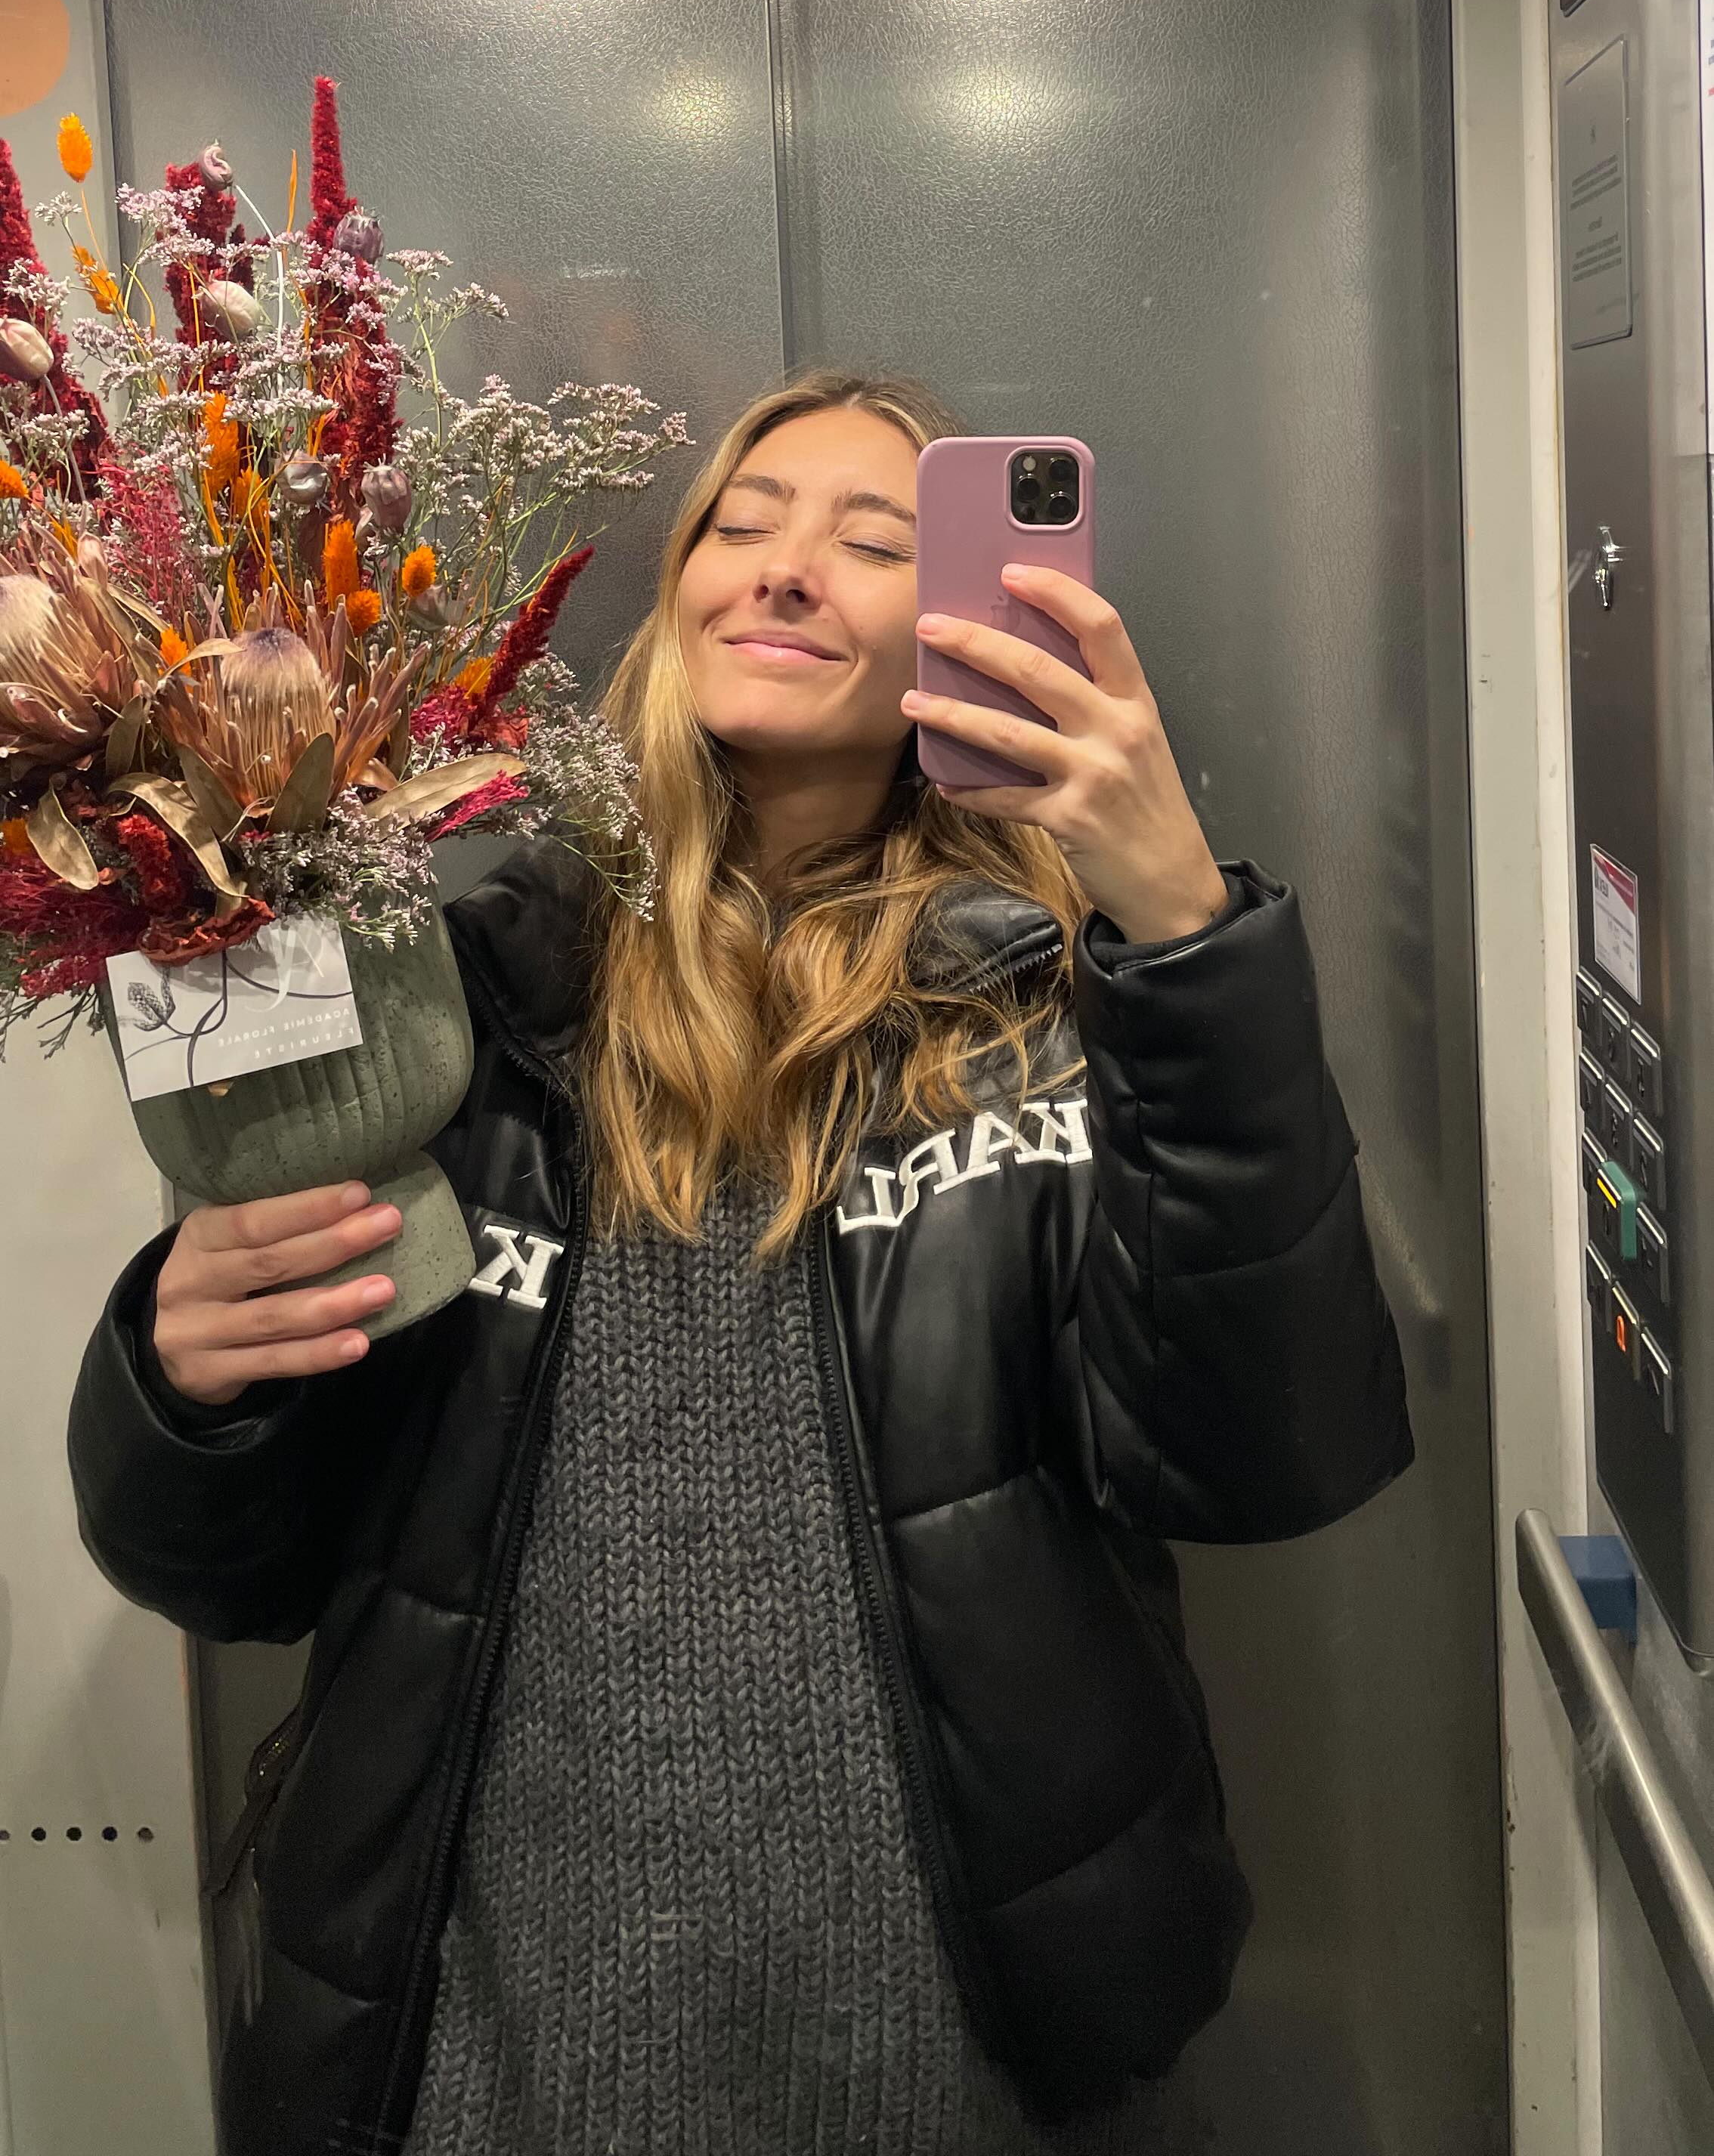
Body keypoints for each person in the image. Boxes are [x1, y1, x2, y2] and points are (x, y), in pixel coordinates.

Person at [69, 367, 1412, 2156]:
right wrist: (181, 1378)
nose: (782, 567)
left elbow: (1259, 1455)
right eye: (742, 521)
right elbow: (229, 1567)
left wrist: (1182, 933)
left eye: (874, 541)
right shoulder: (462, 997)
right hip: (477, 2059)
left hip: (960, 2063)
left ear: (963, 613)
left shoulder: (1059, 1018)